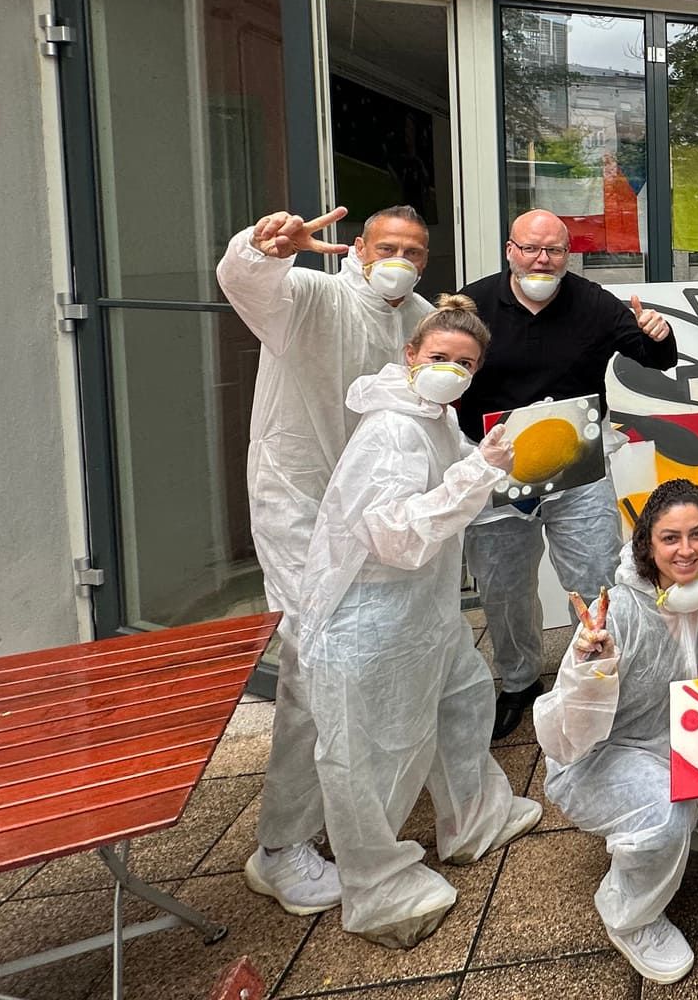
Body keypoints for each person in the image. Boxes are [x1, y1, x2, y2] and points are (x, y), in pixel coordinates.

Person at [293, 297, 543, 947]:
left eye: (465, 364)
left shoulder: (433, 419)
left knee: (462, 704)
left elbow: (459, 478)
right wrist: (483, 472)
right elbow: (398, 536)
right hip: (369, 618)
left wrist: (491, 461)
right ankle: (378, 887)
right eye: (440, 358)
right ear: (411, 355)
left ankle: (474, 817)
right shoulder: (390, 431)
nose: (451, 372)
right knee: (374, 753)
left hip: (423, 611)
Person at [219, 202, 434, 916]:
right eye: (387, 245)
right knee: (316, 665)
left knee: (371, 656)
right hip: (298, 507)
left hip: (365, 512)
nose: (399, 259)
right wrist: (261, 248)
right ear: (358, 250)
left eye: (414, 249)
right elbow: (247, 283)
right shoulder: (309, 297)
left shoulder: (418, 319)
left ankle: (349, 806)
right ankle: (280, 848)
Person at [533, 479, 698, 986]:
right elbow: (564, 739)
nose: (687, 549)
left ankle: (667, 834)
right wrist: (592, 668)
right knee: (665, 815)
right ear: (647, 544)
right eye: (671, 538)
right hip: (603, 757)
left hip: (685, 741)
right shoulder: (618, 613)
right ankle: (629, 913)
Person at [456, 208, 681, 739]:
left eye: (554, 250)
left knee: (597, 575)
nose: (542, 259)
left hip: (577, 470)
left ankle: (603, 670)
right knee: (503, 586)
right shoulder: (472, 304)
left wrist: (659, 331)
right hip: (496, 471)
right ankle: (518, 681)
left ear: (567, 255)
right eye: (531, 248)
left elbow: (656, 358)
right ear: (510, 250)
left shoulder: (593, 303)